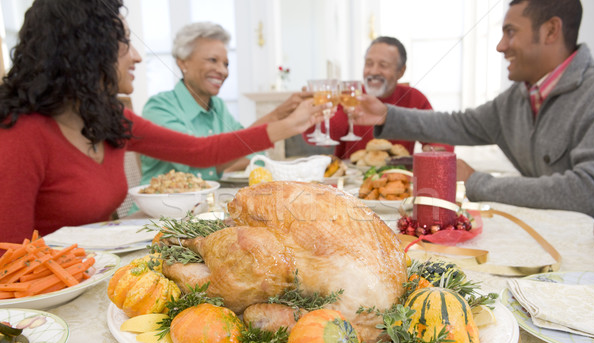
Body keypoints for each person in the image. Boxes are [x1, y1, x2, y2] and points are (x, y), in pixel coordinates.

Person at [0, 0, 325, 243]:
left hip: (100, 270)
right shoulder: (20, 135)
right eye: (125, 44)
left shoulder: (112, 119)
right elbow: (8, 263)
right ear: (85, 50)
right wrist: (287, 125)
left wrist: (286, 122)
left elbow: (200, 151)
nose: (138, 57)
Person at [354, 0, 594, 217]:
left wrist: (476, 181)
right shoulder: (517, 98)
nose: (501, 46)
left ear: (551, 31)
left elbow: (588, 192)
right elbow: (458, 124)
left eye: (510, 32)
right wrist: (386, 115)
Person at [141, 22, 312, 182]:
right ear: (183, 62)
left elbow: (252, 151)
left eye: (226, 64)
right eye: (212, 60)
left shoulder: (218, 107)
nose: (223, 71)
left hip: (204, 207)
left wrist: (281, 113)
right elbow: (199, 165)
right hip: (156, 212)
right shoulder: (159, 108)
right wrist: (278, 120)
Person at [304, 36, 452, 159]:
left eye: (383, 65)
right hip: (350, 184)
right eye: (369, 63)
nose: (373, 71)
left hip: (399, 178)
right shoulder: (350, 96)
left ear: (401, 71)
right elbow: (322, 135)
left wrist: (434, 151)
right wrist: (308, 114)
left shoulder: (414, 98)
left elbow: (440, 138)